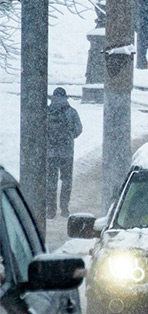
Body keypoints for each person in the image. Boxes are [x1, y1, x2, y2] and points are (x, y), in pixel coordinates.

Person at [45, 87, 82, 219]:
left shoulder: (47, 111)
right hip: (67, 153)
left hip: (50, 154)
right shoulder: (71, 112)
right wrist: (69, 135)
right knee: (66, 181)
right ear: (65, 97)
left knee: (51, 181)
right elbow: (79, 129)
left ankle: (51, 209)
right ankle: (64, 208)